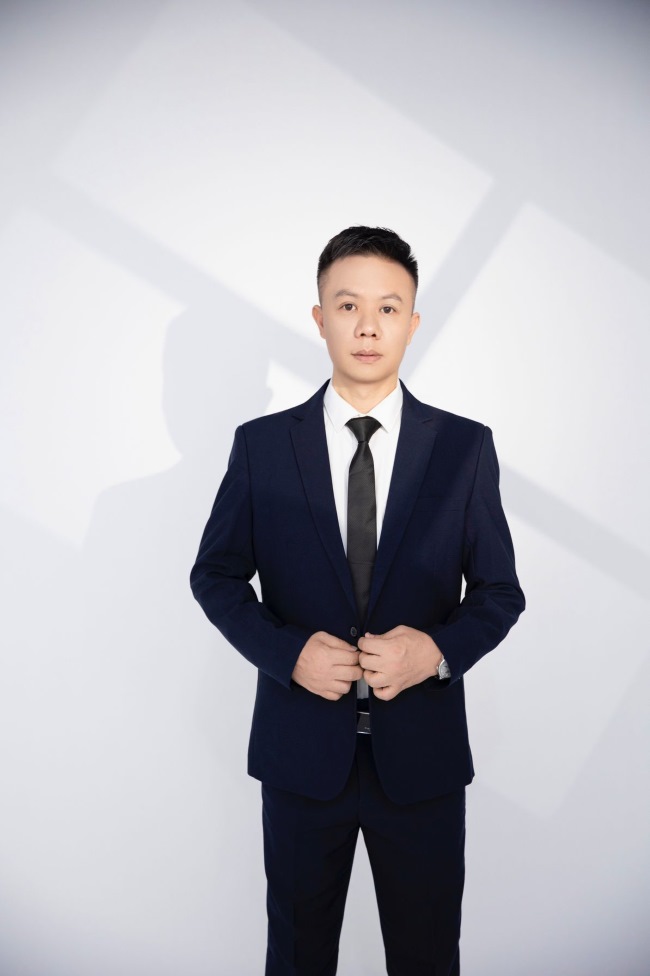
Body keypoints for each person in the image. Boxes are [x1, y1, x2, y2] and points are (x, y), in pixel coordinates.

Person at [190, 226, 525, 975]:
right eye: (348, 306)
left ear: (413, 321)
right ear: (320, 318)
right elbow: (215, 575)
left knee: (427, 958)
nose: (368, 326)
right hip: (302, 758)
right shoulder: (262, 446)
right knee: (297, 958)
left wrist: (434, 651)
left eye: (388, 308)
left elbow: (500, 592)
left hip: (423, 761)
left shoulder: (465, 448)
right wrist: (287, 654)